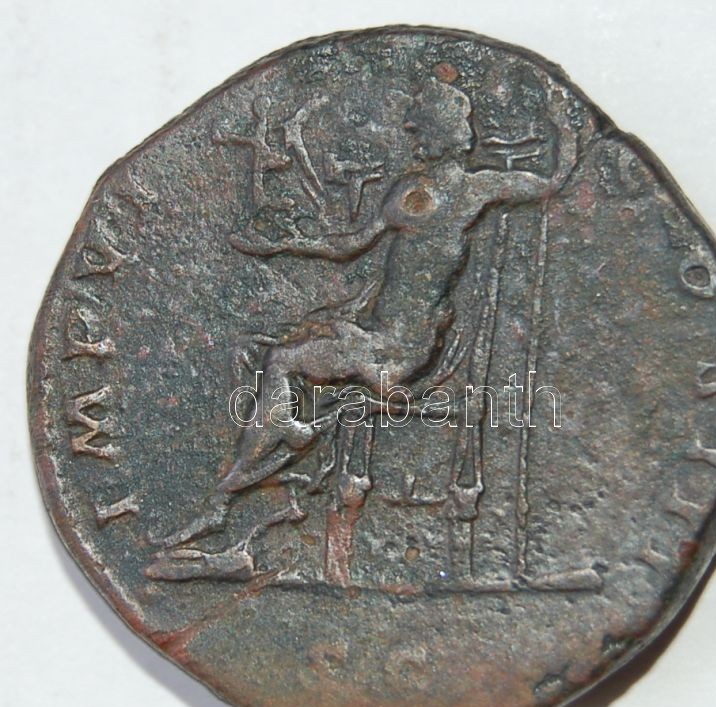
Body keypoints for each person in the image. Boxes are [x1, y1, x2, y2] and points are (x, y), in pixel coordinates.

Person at [154, 71, 578, 552]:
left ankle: (231, 491)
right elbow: (349, 245)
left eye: (419, 124)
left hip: (398, 351)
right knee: (267, 354)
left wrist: (562, 128)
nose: (412, 131)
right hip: (371, 334)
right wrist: (286, 245)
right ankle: (252, 470)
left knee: (280, 361)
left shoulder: (475, 189)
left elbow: (549, 184)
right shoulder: (408, 187)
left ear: (443, 129)